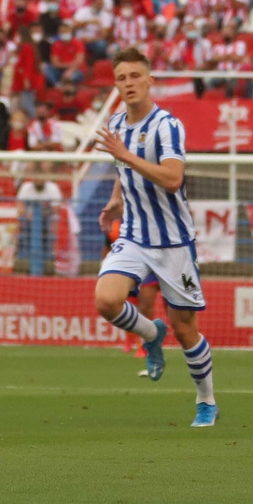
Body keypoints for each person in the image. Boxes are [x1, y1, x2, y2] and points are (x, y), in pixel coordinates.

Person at [91, 48, 217, 428]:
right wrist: (116, 199)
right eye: (122, 78)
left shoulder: (167, 126)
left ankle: (206, 400)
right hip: (134, 234)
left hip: (173, 240)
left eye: (135, 76)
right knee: (106, 300)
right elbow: (123, 168)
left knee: (185, 329)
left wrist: (126, 156)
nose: (129, 83)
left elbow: (173, 178)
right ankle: (150, 333)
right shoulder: (117, 122)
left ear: (150, 80)